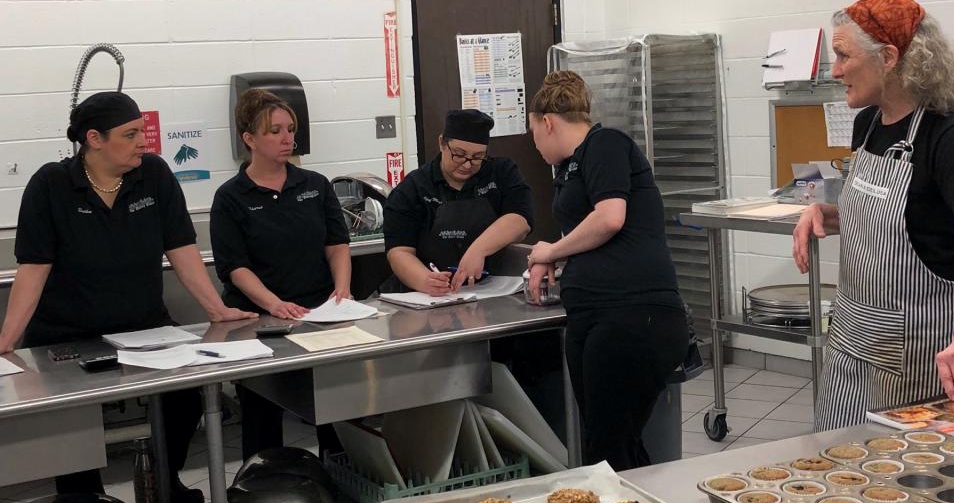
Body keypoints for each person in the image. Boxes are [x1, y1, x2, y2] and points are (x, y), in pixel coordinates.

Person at [0, 91, 256, 503]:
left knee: (183, 398)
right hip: (65, 332)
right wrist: (6, 339)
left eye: (142, 131)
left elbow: (181, 249)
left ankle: (164, 482)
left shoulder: (153, 176)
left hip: (144, 324)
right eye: (131, 133)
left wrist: (217, 310)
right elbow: (33, 267)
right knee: (70, 418)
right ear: (95, 139)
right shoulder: (51, 185)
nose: (144, 142)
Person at [792, 0, 954, 429]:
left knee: (907, 477)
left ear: (889, 57)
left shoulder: (948, 133)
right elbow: (902, 217)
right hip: (851, 338)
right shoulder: (867, 123)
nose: (834, 71)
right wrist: (826, 213)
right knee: (837, 462)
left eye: (843, 55)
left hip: (918, 350)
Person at [526, 71, 690, 470]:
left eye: (533, 133)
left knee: (611, 448)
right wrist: (553, 256)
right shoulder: (571, 167)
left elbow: (610, 218)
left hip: (634, 315)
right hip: (595, 315)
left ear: (547, 122)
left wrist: (550, 249)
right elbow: (587, 232)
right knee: (610, 446)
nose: (534, 144)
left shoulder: (606, 144)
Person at [210, 88, 350, 459]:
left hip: (318, 314)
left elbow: (337, 245)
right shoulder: (230, 197)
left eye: (291, 129)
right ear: (249, 139)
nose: (287, 138)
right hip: (259, 320)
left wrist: (342, 291)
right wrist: (274, 304)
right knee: (262, 416)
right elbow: (234, 267)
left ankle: (341, 481)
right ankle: (261, 487)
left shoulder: (315, 185)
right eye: (275, 131)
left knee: (335, 411)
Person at [383, 109, 533, 294]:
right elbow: (399, 251)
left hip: (490, 292)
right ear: (441, 143)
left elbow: (520, 220)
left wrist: (478, 250)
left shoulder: (502, 173)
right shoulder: (413, 188)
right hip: (426, 296)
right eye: (459, 154)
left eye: (477, 157)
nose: (467, 164)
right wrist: (425, 281)